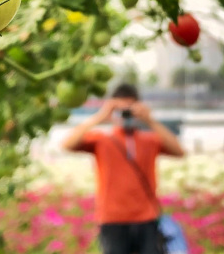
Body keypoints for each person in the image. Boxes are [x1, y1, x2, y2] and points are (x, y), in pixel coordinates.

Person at [61, 83, 185, 254]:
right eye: (121, 109)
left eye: (130, 108)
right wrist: (101, 116)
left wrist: (149, 120)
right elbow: (67, 144)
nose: (126, 114)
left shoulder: (149, 140)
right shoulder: (102, 140)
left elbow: (179, 151)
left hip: (146, 218)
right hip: (112, 219)